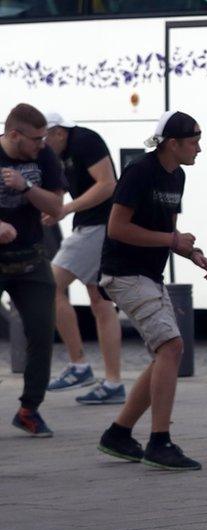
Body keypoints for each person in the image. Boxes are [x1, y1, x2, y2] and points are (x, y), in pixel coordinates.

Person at [95, 111, 207, 471]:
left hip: (147, 274)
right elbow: (117, 228)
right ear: (172, 144)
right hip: (123, 273)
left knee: (165, 351)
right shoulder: (139, 171)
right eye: (194, 141)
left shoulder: (176, 175)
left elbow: (169, 230)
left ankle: (118, 433)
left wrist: (190, 251)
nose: (199, 148)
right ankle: (159, 442)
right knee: (171, 346)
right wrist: (172, 239)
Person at [43, 113, 125, 404]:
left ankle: (79, 365)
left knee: (48, 285)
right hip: (93, 226)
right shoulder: (60, 152)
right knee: (101, 302)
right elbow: (61, 186)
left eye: (45, 137)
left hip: (97, 226)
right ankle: (113, 382)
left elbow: (107, 184)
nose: (42, 144)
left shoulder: (85, 141)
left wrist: (65, 209)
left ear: (59, 133)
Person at [0, 103, 65, 437]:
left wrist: (26, 188)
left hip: (30, 260)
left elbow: (56, 206)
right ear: (14, 135)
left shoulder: (44, 157)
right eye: (37, 138)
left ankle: (29, 410)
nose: (44, 143)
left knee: (42, 333)